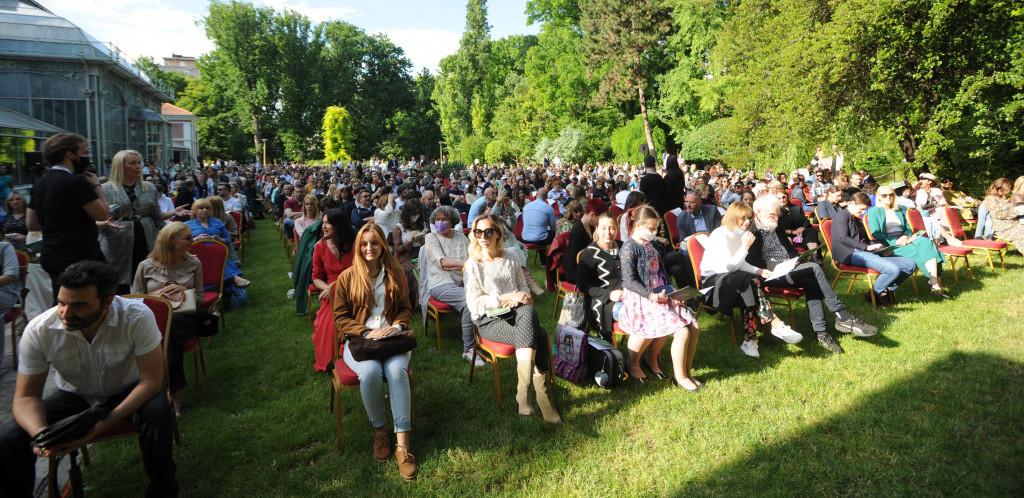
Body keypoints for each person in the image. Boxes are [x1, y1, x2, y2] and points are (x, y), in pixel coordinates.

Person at [0, 261, 179, 497]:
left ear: (107, 303)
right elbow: (26, 397)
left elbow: (151, 381)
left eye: (78, 305)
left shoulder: (136, 316)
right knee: (10, 436)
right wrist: (42, 435)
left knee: (156, 414)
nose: (65, 313)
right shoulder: (39, 329)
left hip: (132, 387)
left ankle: (163, 489)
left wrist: (95, 430)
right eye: (61, 302)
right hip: (77, 393)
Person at [332, 224, 417, 481]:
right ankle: (380, 431)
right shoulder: (347, 277)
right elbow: (340, 317)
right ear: (359, 246)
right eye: (365, 244)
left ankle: (403, 445)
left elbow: (405, 308)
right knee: (369, 373)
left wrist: (396, 327)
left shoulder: (396, 273)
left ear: (383, 246)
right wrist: (365, 332)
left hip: (392, 340)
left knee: (396, 371)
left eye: (375, 243)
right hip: (361, 341)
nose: (369, 248)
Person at [746, 195, 878, 353]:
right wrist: (777, 264)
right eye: (772, 215)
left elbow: (789, 248)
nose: (776, 217)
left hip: (788, 269)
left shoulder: (775, 224)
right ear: (758, 212)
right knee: (814, 268)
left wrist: (794, 258)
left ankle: (821, 333)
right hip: (770, 275)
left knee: (811, 282)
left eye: (777, 214)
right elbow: (752, 262)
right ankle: (842, 315)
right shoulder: (751, 232)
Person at [463, 215, 561, 424]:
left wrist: (524, 297)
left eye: (488, 231)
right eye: (478, 232)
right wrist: (506, 297)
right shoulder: (473, 265)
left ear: (497, 233)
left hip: (516, 313)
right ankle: (542, 399)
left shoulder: (511, 256)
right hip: (488, 319)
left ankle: (523, 394)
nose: (482, 236)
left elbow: (523, 287)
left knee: (527, 310)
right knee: (540, 335)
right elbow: (475, 305)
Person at [132, 222, 218, 415]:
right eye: (187, 238)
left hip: (184, 316)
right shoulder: (145, 266)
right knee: (164, 330)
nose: (192, 240)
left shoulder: (194, 262)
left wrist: (184, 290)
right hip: (152, 317)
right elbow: (134, 300)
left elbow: (199, 298)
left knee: (169, 330)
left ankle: (172, 392)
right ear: (170, 241)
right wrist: (157, 296)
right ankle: (166, 388)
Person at [699, 203, 803, 358]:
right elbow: (730, 267)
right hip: (713, 281)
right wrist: (745, 247)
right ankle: (774, 323)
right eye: (743, 218)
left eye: (749, 218)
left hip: (734, 278)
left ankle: (750, 340)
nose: (747, 222)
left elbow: (741, 263)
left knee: (749, 284)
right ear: (733, 217)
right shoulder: (719, 234)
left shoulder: (739, 234)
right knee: (749, 281)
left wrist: (760, 271)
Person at [619, 206, 702, 390]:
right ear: (638, 225)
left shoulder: (652, 246)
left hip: (661, 295)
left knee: (694, 327)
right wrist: (652, 296)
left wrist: (675, 294)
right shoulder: (629, 247)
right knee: (682, 331)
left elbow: (662, 273)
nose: (654, 232)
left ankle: (687, 372)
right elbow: (629, 281)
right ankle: (678, 376)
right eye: (651, 229)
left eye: (656, 228)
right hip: (642, 299)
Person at [27, 133, 111, 302]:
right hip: (79, 254)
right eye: (84, 153)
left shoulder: (40, 184)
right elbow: (103, 213)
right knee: (86, 301)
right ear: (70, 154)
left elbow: (32, 224)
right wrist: (96, 185)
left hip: (50, 253)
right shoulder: (75, 182)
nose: (86, 157)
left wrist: (58, 223)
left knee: (60, 299)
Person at [100, 150, 191, 294]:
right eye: (132, 163)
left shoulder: (149, 188)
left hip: (146, 236)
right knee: (118, 279)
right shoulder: (105, 189)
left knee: (147, 273)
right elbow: (96, 218)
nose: (138, 167)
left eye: (139, 163)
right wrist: (104, 224)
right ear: (120, 166)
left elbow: (156, 215)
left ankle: (148, 308)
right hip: (118, 238)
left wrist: (173, 212)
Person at [831, 193, 918, 306]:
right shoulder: (842, 216)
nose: (863, 212)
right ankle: (874, 294)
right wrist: (866, 247)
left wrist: (879, 247)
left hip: (864, 251)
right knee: (893, 270)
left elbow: (865, 239)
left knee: (910, 264)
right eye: (862, 209)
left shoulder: (857, 219)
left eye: (865, 210)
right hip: (850, 253)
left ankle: (885, 290)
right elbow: (842, 238)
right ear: (852, 203)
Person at [420, 206, 481, 366]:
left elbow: (475, 256)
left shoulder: (462, 238)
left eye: (444, 219)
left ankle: (487, 338)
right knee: (469, 302)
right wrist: (468, 264)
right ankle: (469, 349)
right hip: (440, 283)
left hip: (464, 281)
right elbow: (443, 263)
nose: (440, 223)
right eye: (437, 220)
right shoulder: (431, 238)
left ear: (452, 221)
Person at [866, 185, 950, 298]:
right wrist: (896, 241)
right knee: (921, 250)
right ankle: (934, 282)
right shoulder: (874, 211)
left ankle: (933, 280)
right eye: (884, 195)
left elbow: (908, 228)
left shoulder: (898, 209)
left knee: (925, 241)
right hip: (890, 244)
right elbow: (876, 234)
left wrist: (906, 236)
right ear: (878, 197)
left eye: (891, 194)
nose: (888, 197)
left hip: (904, 239)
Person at [185, 198, 251, 289]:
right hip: (196, 254)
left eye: (207, 208)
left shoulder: (217, 222)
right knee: (213, 254)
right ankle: (234, 277)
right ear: (195, 210)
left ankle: (230, 281)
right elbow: (184, 242)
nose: (205, 210)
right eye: (201, 208)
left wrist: (218, 239)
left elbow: (228, 240)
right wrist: (196, 239)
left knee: (215, 253)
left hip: (217, 251)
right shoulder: (187, 225)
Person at [576, 212, 622, 342]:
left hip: (629, 298)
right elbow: (583, 285)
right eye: (603, 228)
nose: (608, 232)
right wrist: (609, 295)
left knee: (650, 312)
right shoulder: (589, 253)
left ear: (617, 229)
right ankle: (632, 360)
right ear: (596, 229)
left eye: (612, 228)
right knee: (637, 315)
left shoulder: (624, 248)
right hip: (602, 304)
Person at [562, 199, 608, 285]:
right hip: (576, 272)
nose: (600, 222)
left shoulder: (592, 227)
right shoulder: (577, 232)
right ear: (592, 214)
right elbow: (574, 261)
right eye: (599, 219)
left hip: (588, 267)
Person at [392, 199, 428, 304]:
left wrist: (422, 241)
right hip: (406, 257)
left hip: (421, 254)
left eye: (417, 213)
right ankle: (413, 302)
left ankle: (429, 299)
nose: (415, 216)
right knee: (409, 272)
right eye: (413, 214)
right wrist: (409, 241)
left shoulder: (423, 225)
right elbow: (398, 249)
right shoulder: (399, 227)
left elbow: (428, 245)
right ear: (407, 213)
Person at [980, 178, 1024, 256]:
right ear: (1000, 190)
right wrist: (1017, 211)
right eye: (1007, 191)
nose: (1008, 192)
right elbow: (997, 214)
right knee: (1021, 233)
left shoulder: (1005, 199)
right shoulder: (990, 199)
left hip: (1014, 224)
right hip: (1003, 228)